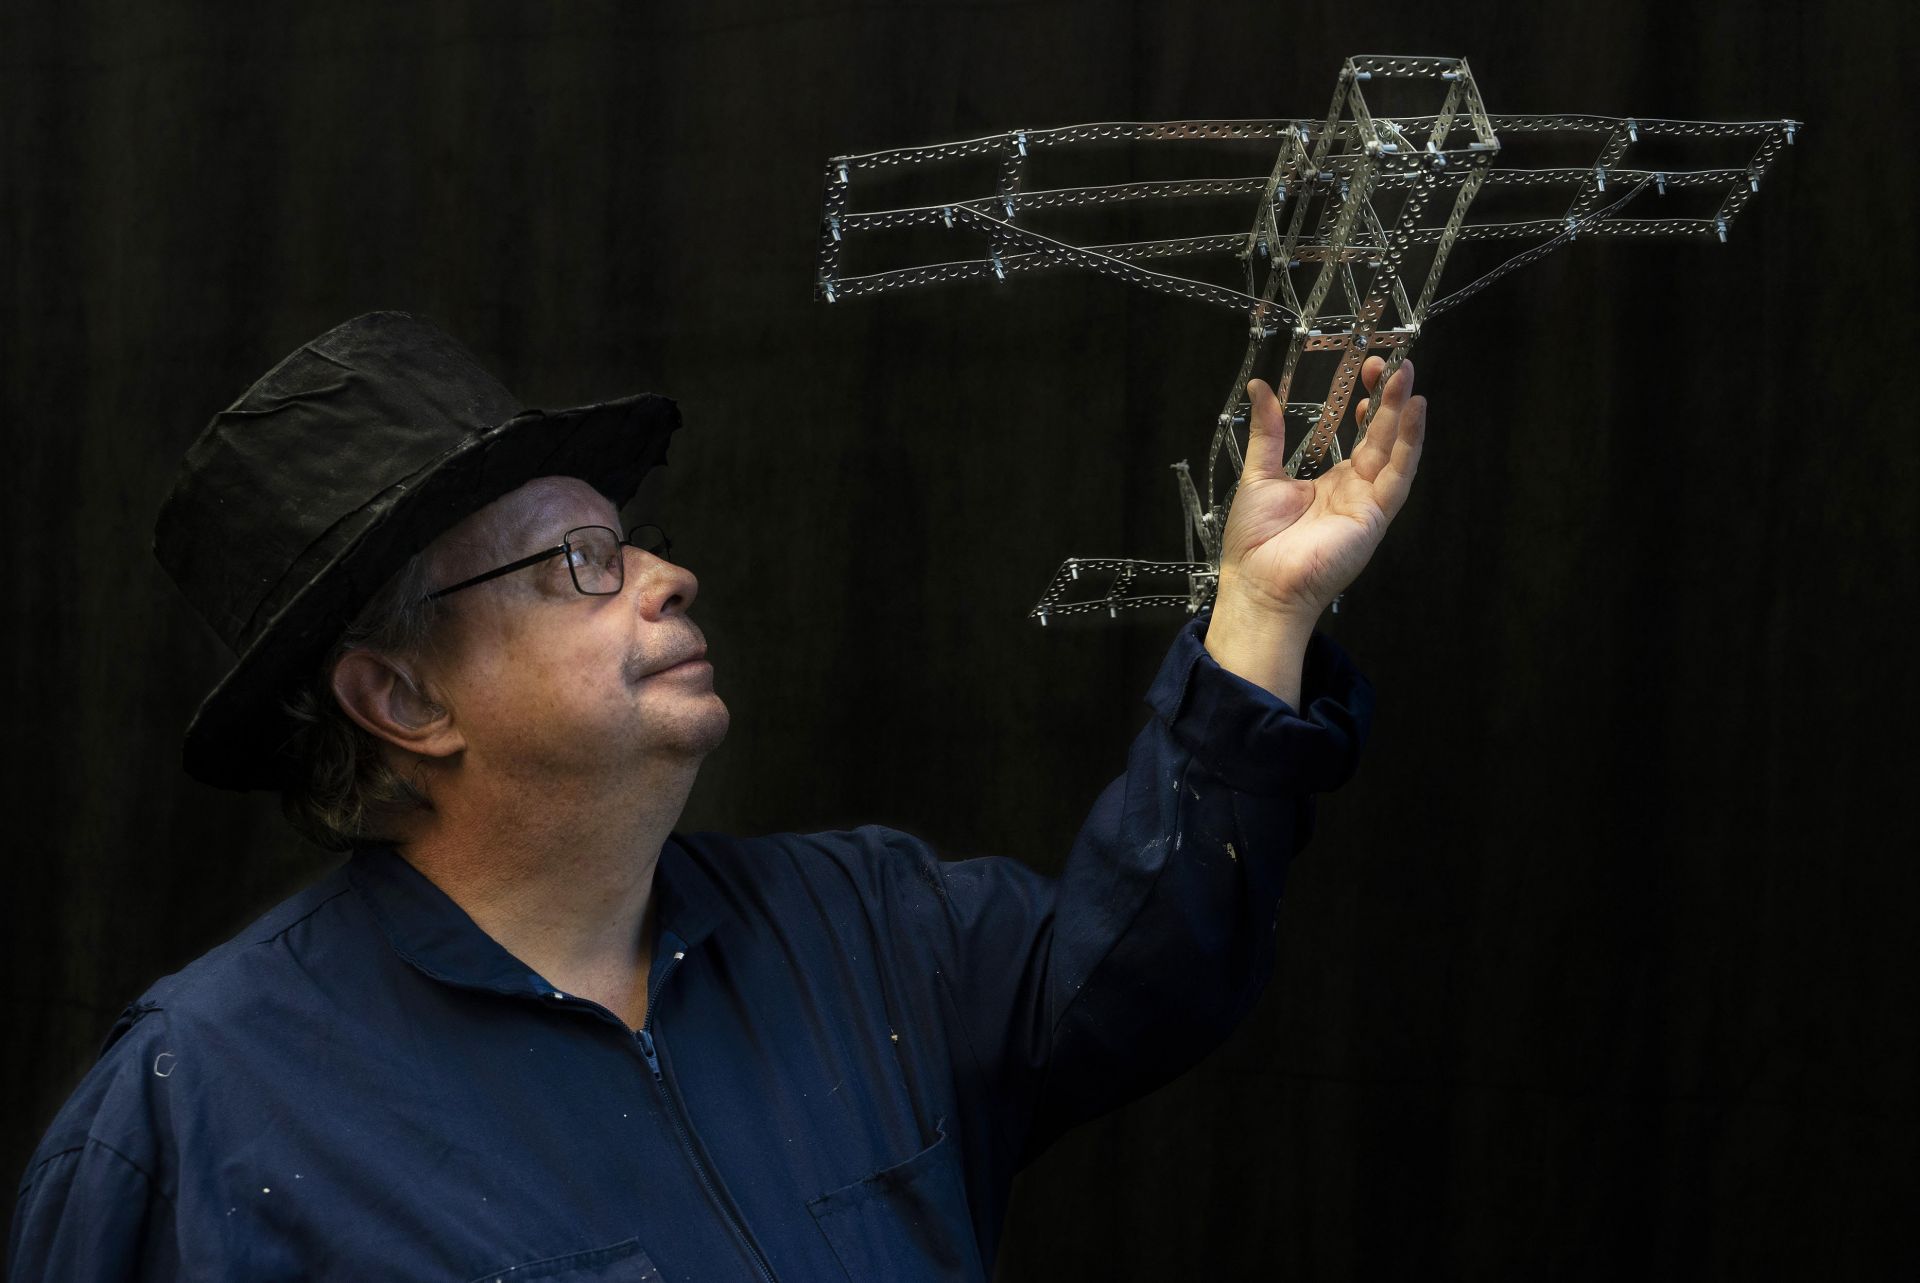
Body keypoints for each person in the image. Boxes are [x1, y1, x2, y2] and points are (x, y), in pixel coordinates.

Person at [8, 311, 1426, 1281]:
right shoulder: (203, 1107)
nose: (666, 576)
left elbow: (1151, 975)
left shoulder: (866, 927)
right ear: (405, 700)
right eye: (577, 563)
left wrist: (1258, 616)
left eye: (635, 542)